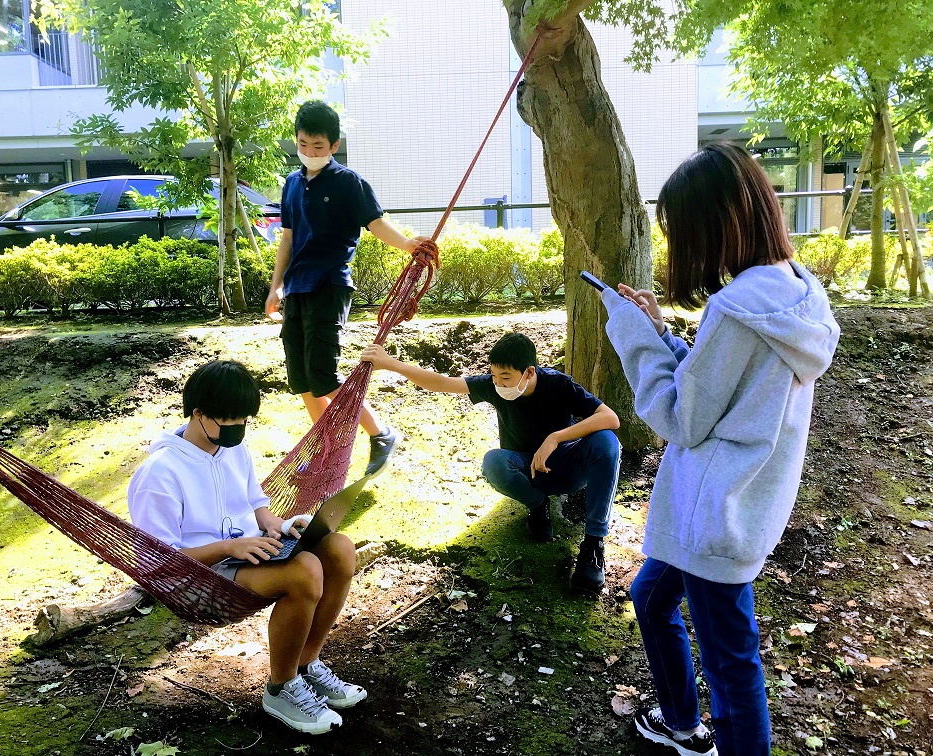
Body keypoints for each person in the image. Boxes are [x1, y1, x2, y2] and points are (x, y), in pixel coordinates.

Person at [598, 143, 840, 756]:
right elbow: (725, 391)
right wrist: (661, 333)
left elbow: (681, 417)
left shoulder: (734, 312)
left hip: (712, 515)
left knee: (733, 668)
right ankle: (679, 719)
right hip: (741, 500)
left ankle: (707, 734)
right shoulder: (795, 291)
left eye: (681, 230)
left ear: (715, 222)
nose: (681, 245)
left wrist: (631, 335)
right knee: (651, 598)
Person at [128, 360, 366, 735]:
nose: (238, 429)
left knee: (339, 548)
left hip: (246, 552)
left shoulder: (233, 450)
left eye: (244, 420)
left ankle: (308, 664)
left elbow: (257, 504)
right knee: (306, 571)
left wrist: (281, 525)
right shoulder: (160, 473)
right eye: (230, 421)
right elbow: (157, 562)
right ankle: (281, 688)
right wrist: (228, 546)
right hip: (201, 574)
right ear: (198, 413)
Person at [362, 332, 621, 594]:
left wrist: (555, 438)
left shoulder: (558, 384)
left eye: (505, 377)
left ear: (529, 372)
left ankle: (593, 543)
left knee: (607, 442)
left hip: (568, 466)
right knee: (493, 463)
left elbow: (610, 417)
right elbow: (441, 383)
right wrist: (391, 363)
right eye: (494, 376)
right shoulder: (493, 386)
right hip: (527, 469)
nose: (498, 384)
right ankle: (537, 503)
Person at [266, 100, 420, 477]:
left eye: (318, 147)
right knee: (301, 378)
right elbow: (286, 238)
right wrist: (275, 287)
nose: (309, 153)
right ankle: (324, 448)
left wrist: (408, 245)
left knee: (323, 376)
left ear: (334, 146)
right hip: (297, 291)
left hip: (330, 285)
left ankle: (380, 433)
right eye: (303, 144)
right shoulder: (291, 183)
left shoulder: (349, 183)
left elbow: (375, 223)